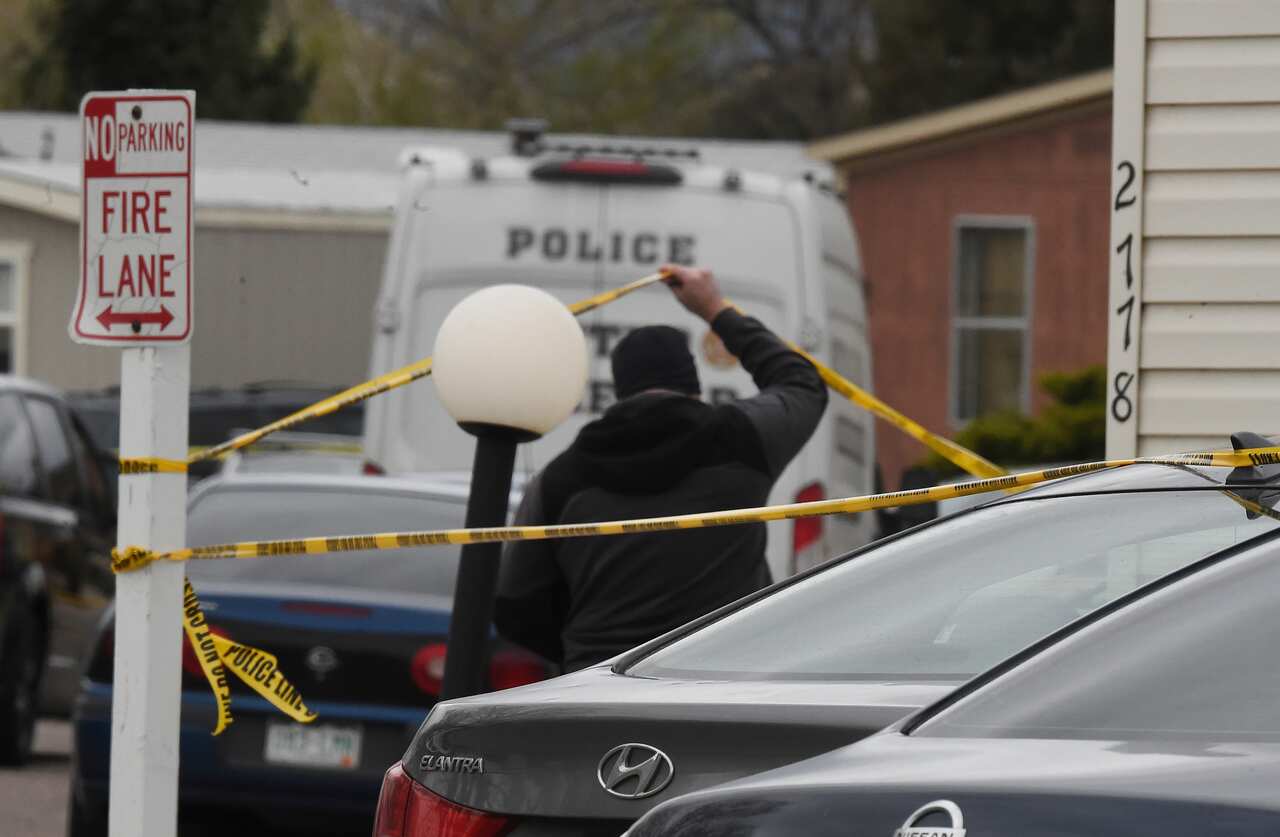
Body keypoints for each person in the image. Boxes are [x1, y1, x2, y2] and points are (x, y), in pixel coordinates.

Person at [494, 264, 829, 671]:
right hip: (723, 681)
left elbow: (515, 604)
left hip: (597, 687)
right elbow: (801, 383)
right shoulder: (743, 438)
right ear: (693, 386)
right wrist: (715, 309)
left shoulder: (559, 480)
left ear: (620, 391)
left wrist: (585, 649)